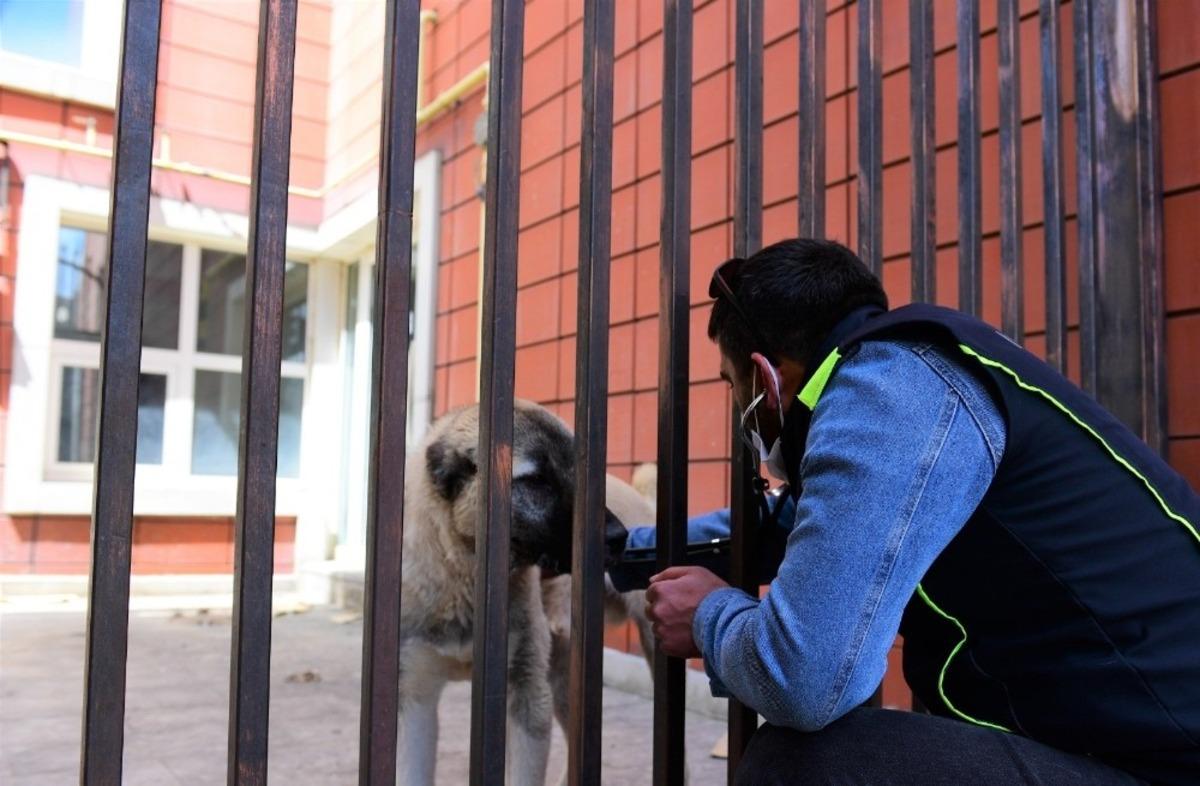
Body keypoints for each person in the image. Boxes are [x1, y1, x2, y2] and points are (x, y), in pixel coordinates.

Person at [621, 238, 1200, 785]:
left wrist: (710, 617)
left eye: (732, 386)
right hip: (1124, 746)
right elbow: (791, 530)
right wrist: (611, 549)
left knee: (806, 764)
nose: (739, 410)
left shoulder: (890, 389)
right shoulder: (924, 381)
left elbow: (806, 680)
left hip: (1161, 765)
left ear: (767, 377)